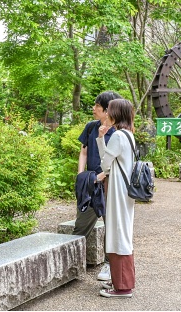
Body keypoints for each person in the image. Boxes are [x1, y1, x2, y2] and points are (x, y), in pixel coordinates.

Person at [75, 91, 122, 283]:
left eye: (97, 106)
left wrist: (101, 177)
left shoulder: (119, 132)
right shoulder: (91, 127)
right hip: (90, 184)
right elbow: (84, 152)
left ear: (107, 110)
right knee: (81, 224)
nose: (93, 109)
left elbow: (118, 161)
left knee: (111, 226)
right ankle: (71, 259)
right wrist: (81, 176)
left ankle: (109, 264)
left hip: (110, 185)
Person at [96, 98, 137, 298]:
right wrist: (102, 138)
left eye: (110, 111)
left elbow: (105, 165)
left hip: (118, 190)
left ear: (116, 114)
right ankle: (120, 281)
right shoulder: (129, 135)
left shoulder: (118, 136)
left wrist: (101, 139)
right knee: (122, 231)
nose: (107, 115)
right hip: (125, 190)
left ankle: (123, 288)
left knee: (118, 232)